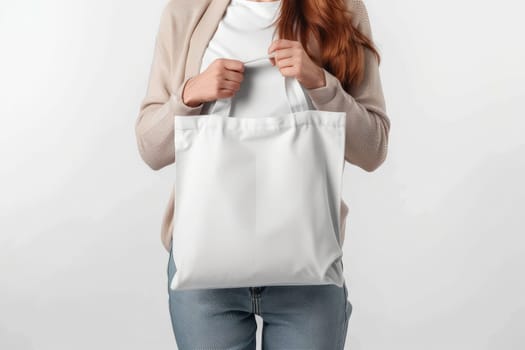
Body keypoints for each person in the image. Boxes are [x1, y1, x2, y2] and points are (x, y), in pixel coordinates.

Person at [135, 0, 390, 348]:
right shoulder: (187, 10)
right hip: (205, 270)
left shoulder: (339, 7)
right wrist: (191, 93)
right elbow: (151, 149)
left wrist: (320, 83)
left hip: (307, 265)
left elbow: (373, 149)